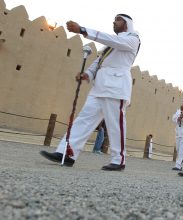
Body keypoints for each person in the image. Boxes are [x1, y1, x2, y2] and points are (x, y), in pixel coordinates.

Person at [40, 14, 140, 171]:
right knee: (83, 120)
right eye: (114, 19)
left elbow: (114, 41)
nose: (114, 21)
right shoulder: (109, 46)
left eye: (118, 19)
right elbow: (99, 62)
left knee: (115, 124)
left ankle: (118, 160)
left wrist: (83, 30)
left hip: (116, 86)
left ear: (127, 24)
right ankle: (66, 152)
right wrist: (88, 74)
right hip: (99, 87)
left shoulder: (132, 39)